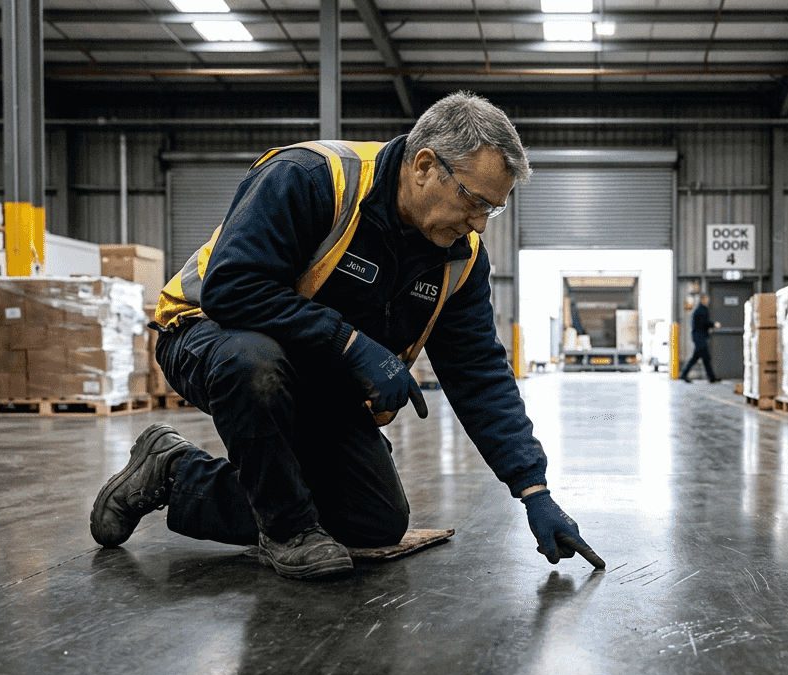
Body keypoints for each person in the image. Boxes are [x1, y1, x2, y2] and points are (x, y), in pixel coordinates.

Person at [90, 92, 605, 581]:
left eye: (492, 209)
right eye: (475, 201)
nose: (480, 225)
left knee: (374, 522)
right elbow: (231, 287)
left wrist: (532, 489)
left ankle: (174, 474)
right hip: (208, 336)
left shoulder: (459, 256)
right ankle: (288, 532)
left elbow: (479, 373)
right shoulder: (311, 178)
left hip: (317, 378)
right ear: (425, 166)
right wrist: (351, 345)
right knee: (254, 362)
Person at [679, 293, 719, 383]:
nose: (708, 300)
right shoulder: (701, 310)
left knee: (704, 358)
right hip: (699, 337)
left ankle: (711, 377)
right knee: (699, 358)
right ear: (703, 299)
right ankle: (684, 374)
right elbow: (704, 323)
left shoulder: (702, 309)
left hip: (700, 337)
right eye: (706, 299)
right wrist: (714, 325)